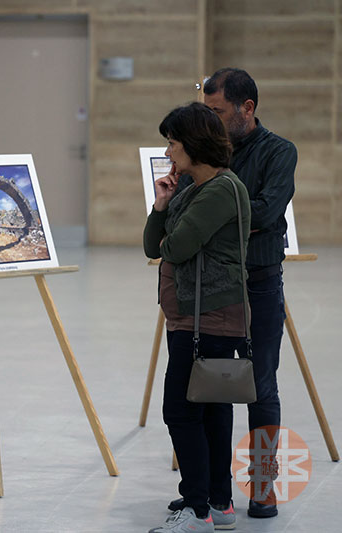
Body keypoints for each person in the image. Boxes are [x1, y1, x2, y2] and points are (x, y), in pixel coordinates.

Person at [169, 68, 297, 519]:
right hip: (207, 290)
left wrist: (218, 207)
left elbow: (265, 210)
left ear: (248, 108)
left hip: (258, 283)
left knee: (260, 385)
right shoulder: (203, 152)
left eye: (218, 112)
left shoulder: (279, 152)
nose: (211, 121)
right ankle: (212, 493)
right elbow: (185, 211)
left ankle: (262, 486)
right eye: (206, 112)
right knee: (210, 390)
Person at [144, 102, 251, 533]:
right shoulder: (191, 188)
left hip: (209, 317)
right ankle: (217, 501)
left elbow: (176, 248)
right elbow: (155, 244)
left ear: (193, 143)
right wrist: (162, 204)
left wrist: (171, 227)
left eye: (172, 143)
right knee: (209, 408)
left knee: (182, 409)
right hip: (191, 315)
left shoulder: (221, 190)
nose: (168, 152)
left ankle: (197, 508)